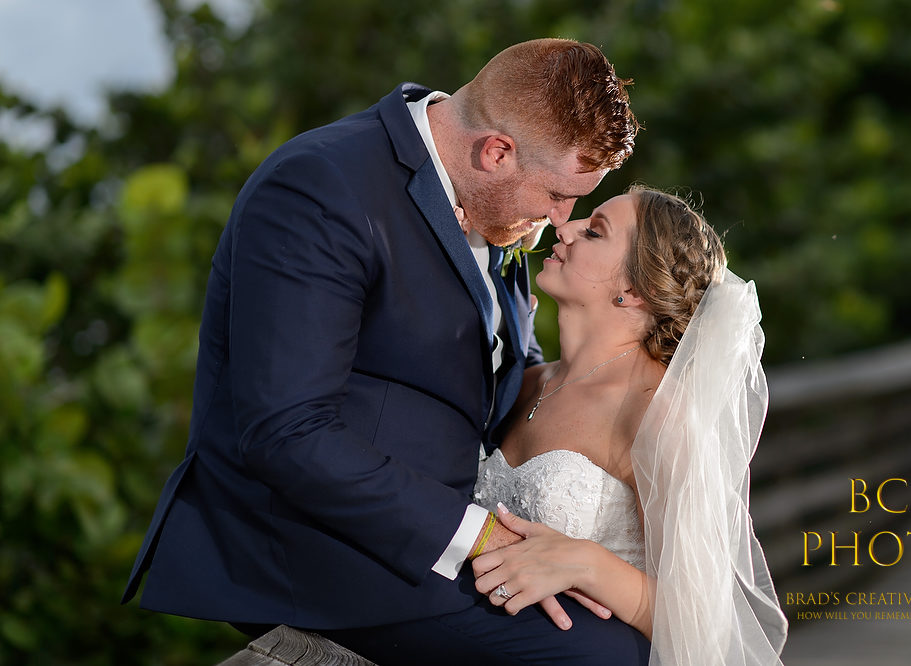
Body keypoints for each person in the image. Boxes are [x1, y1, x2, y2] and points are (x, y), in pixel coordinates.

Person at [121, 38, 644, 664]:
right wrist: (480, 537)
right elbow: (287, 432)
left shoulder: (491, 205)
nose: (563, 218)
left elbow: (500, 374)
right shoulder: (321, 187)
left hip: (436, 534)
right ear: (496, 152)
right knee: (611, 657)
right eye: (558, 194)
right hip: (326, 546)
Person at [472, 186, 788, 664]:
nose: (565, 228)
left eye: (594, 232)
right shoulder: (528, 384)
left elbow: (705, 621)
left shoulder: (656, 413)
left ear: (635, 291)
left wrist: (586, 563)